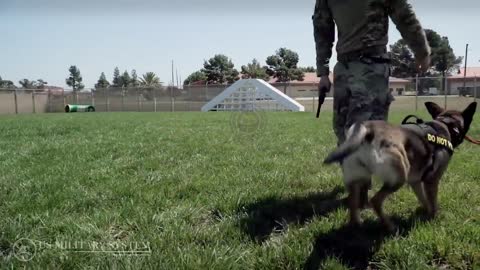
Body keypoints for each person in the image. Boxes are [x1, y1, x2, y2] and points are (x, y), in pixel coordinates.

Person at [313, 0, 431, 205]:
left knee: (360, 132)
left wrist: (421, 49)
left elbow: (403, 13)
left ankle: (359, 194)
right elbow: (322, 27)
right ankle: (357, 185)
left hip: (372, 65)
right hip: (344, 66)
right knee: (342, 130)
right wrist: (323, 71)